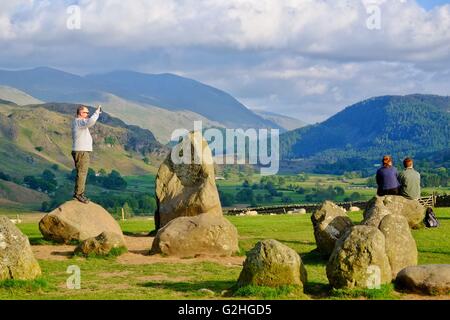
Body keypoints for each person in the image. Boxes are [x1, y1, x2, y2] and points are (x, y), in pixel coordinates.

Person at [71, 104, 102, 203]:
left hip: (81, 150)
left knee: (81, 173)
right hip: (81, 151)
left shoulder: (78, 123)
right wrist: (96, 112)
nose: (88, 114)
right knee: (82, 173)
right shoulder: (79, 121)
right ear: (80, 113)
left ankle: (79, 193)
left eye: (88, 112)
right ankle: (79, 194)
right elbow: (91, 122)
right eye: (86, 112)